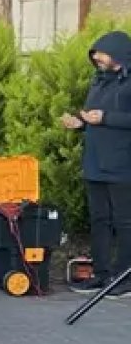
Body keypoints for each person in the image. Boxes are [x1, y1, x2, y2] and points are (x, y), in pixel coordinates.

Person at [61, 31, 131, 295]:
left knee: (125, 222)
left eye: (101, 55)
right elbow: (94, 119)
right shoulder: (99, 82)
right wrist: (80, 124)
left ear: (118, 53)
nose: (97, 60)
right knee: (99, 220)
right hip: (94, 162)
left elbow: (114, 119)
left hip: (123, 163)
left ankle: (124, 277)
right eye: (95, 56)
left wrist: (106, 118)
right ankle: (101, 274)